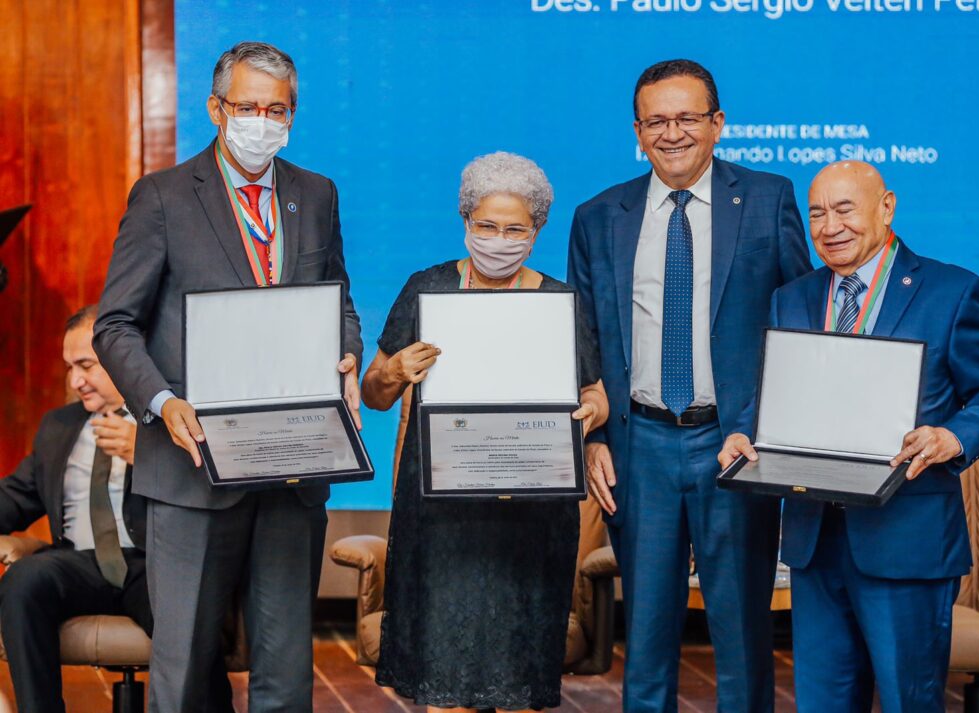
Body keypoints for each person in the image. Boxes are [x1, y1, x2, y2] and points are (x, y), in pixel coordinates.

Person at [93, 41, 362, 712]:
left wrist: (349, 355)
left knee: (285, 670)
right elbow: (115, 324)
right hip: (191, 466)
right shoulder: (161, 198)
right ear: (216, 108)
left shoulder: (316, 193)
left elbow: (337, 298)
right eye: (248, 106)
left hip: (293, 466)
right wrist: (161, 401)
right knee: (181, 666)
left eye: (278, 109)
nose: (262, 121)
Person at [718, 161, 979, 713]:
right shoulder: (794, 297)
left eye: (844, 209)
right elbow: (775, 394)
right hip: (816, 541)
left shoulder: (951, 291)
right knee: (823, 703)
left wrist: (952, 438)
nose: (829, 225)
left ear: (886, 208)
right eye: (816, 213)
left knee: (910, 701)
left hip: (907, 540)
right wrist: (743, 432)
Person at [567, 59, 811, 712]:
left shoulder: (768, 199)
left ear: (717, 124)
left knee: (741, 633)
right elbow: (582, 338)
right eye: (656, 121)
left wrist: (764, 424)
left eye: (687, 118)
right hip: (637, 444)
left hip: (735, 443)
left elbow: (799, 320)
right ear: (638, 132)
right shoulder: (598, 216)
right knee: (644, 637)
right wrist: (592, 438)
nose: (672, 133)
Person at [363, 151, 609, 712]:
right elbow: (375, 396)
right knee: (444, 683)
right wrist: (396, 371)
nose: (499, 239)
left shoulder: (560, 300)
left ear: (537, 229)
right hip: (442, 521)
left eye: (514, 228)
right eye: (486, 226)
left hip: (531, 519)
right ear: (465, 222)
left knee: (519, 683)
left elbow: (594, 392)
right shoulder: (426, 288)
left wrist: (590, 416)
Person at [0, 305, 232, 713]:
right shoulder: (59, 426)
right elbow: (16, 498)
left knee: (186, 607)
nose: (75, 381)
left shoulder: (170, 421)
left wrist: (146, 453)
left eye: (86, 365)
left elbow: (217, 487)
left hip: (153, 563)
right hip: (79, 564)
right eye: (70, 367)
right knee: (24, 579)